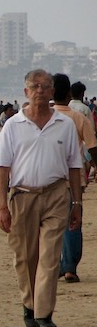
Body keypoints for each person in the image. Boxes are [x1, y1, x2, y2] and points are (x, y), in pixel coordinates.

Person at [0, 69, 83, 327]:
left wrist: (77, 204)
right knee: (25, 257)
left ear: (53, 91)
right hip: (22, 196)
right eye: (35, 86)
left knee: (49, 255)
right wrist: (1, 206)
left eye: (45, 86)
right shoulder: (13, 125)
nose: (40, 91)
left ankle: (44, 313)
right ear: (26, 92)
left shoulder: (64, 125)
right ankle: (29, 305)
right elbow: (2, 168)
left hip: (56, 195)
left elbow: (74, 167)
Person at [51, 74, 97, 284]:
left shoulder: (46, 117)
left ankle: (58, 265)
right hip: (74, 178)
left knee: (51, 224)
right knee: (73, 222)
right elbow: (93, 148)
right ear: (69, 94)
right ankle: (69, 267)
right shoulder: (79, 118)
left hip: (49, 178)